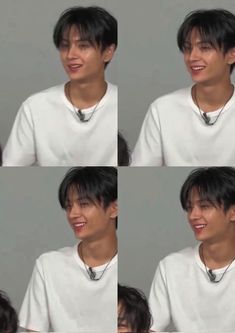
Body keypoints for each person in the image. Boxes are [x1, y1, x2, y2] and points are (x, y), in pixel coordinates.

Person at [3, 6, 117, 166]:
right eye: (65, 46)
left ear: (108, 52)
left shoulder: (121, 103)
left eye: (83, 46)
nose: (70, 55)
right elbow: (11, 168)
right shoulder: (35, 107)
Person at [19, 167, 118, 332]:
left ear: (114, 208)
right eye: (68, 206)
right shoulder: (49, 265)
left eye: (84, 204)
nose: (73, 214)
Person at [132, 9, 235, 166]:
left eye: (205, 48)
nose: (192, 57)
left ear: (231, 55)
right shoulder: (162, 109)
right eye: (187, 48)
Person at [149, 167, 235, 332]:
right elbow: (152, 327)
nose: (193, 215)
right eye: (189, 207)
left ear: (233, 212)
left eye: (204, 206)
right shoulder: (171, 267)